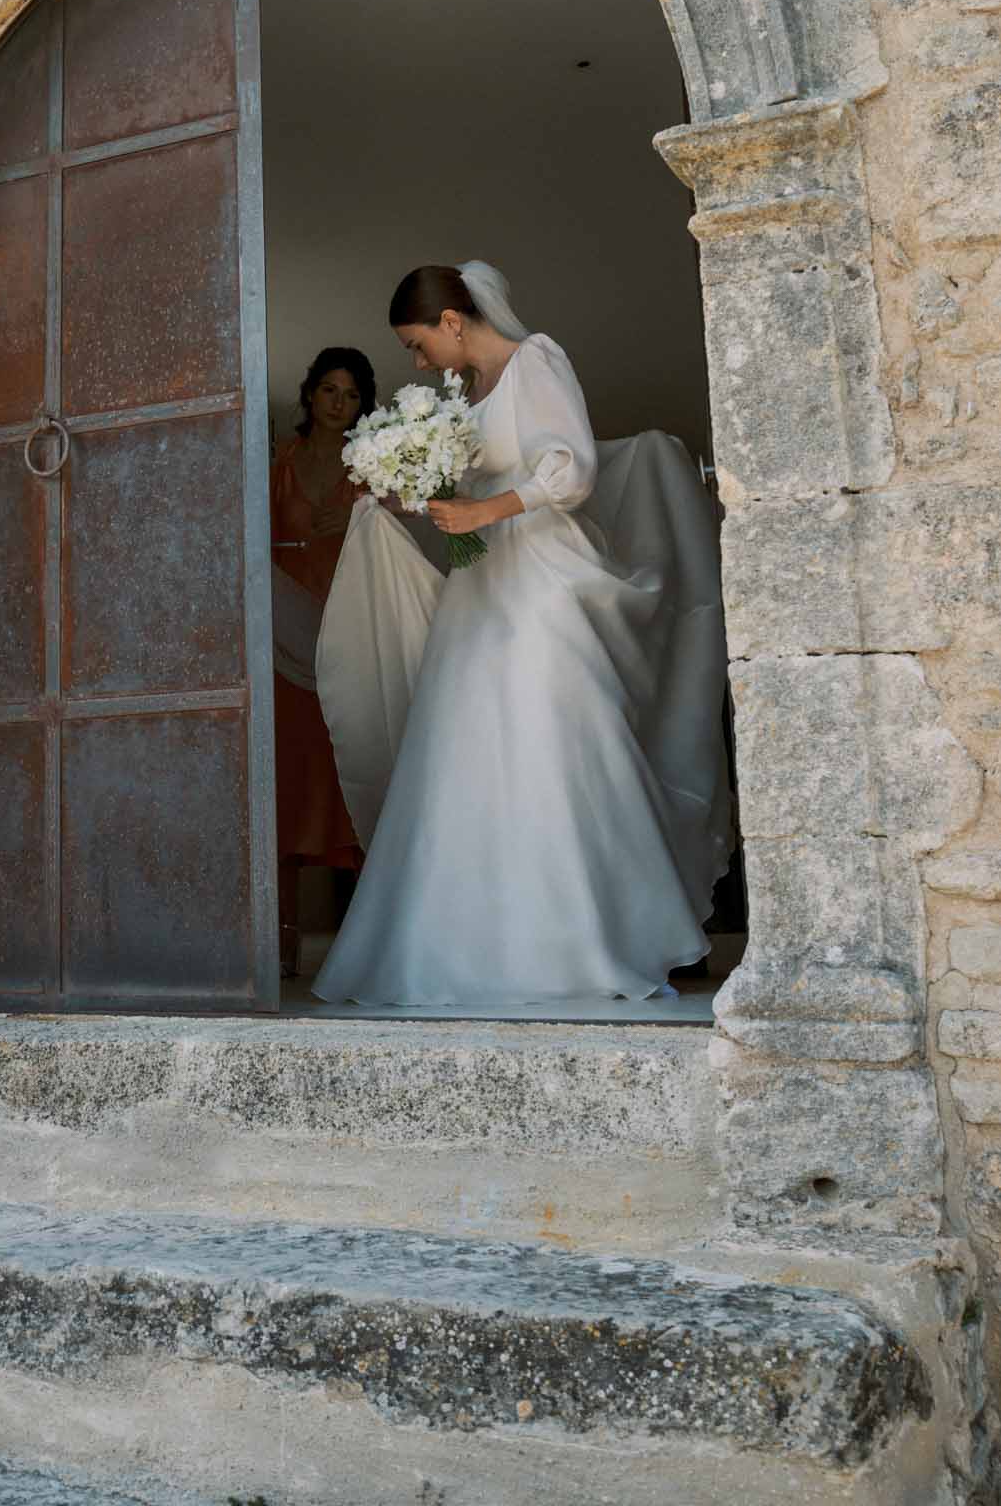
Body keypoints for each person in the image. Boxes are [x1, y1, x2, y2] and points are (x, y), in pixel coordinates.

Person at [311, 262, 731, 1010]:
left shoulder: (534, 359)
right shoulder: (462, 394)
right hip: (483, 584)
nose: (416, 362)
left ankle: (592, 938)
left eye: (416, 344)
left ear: (451, 322)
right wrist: (419, 498)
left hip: (542, 581)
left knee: (552, 737)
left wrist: (484, 512)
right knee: (463, 745)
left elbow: (571, 471)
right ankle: (464, 942)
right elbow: (471, 493)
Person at [270, 347, 376, 977]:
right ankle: (278, 945)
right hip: (283, 641)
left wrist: (367, 515)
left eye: (353, 395)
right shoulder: (278, 461)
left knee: (351, 773)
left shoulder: (371, 467)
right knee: (285, 783)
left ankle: (361, 946)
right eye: (330, 391)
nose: (339, 404)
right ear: (310, 393)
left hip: (347, 630)